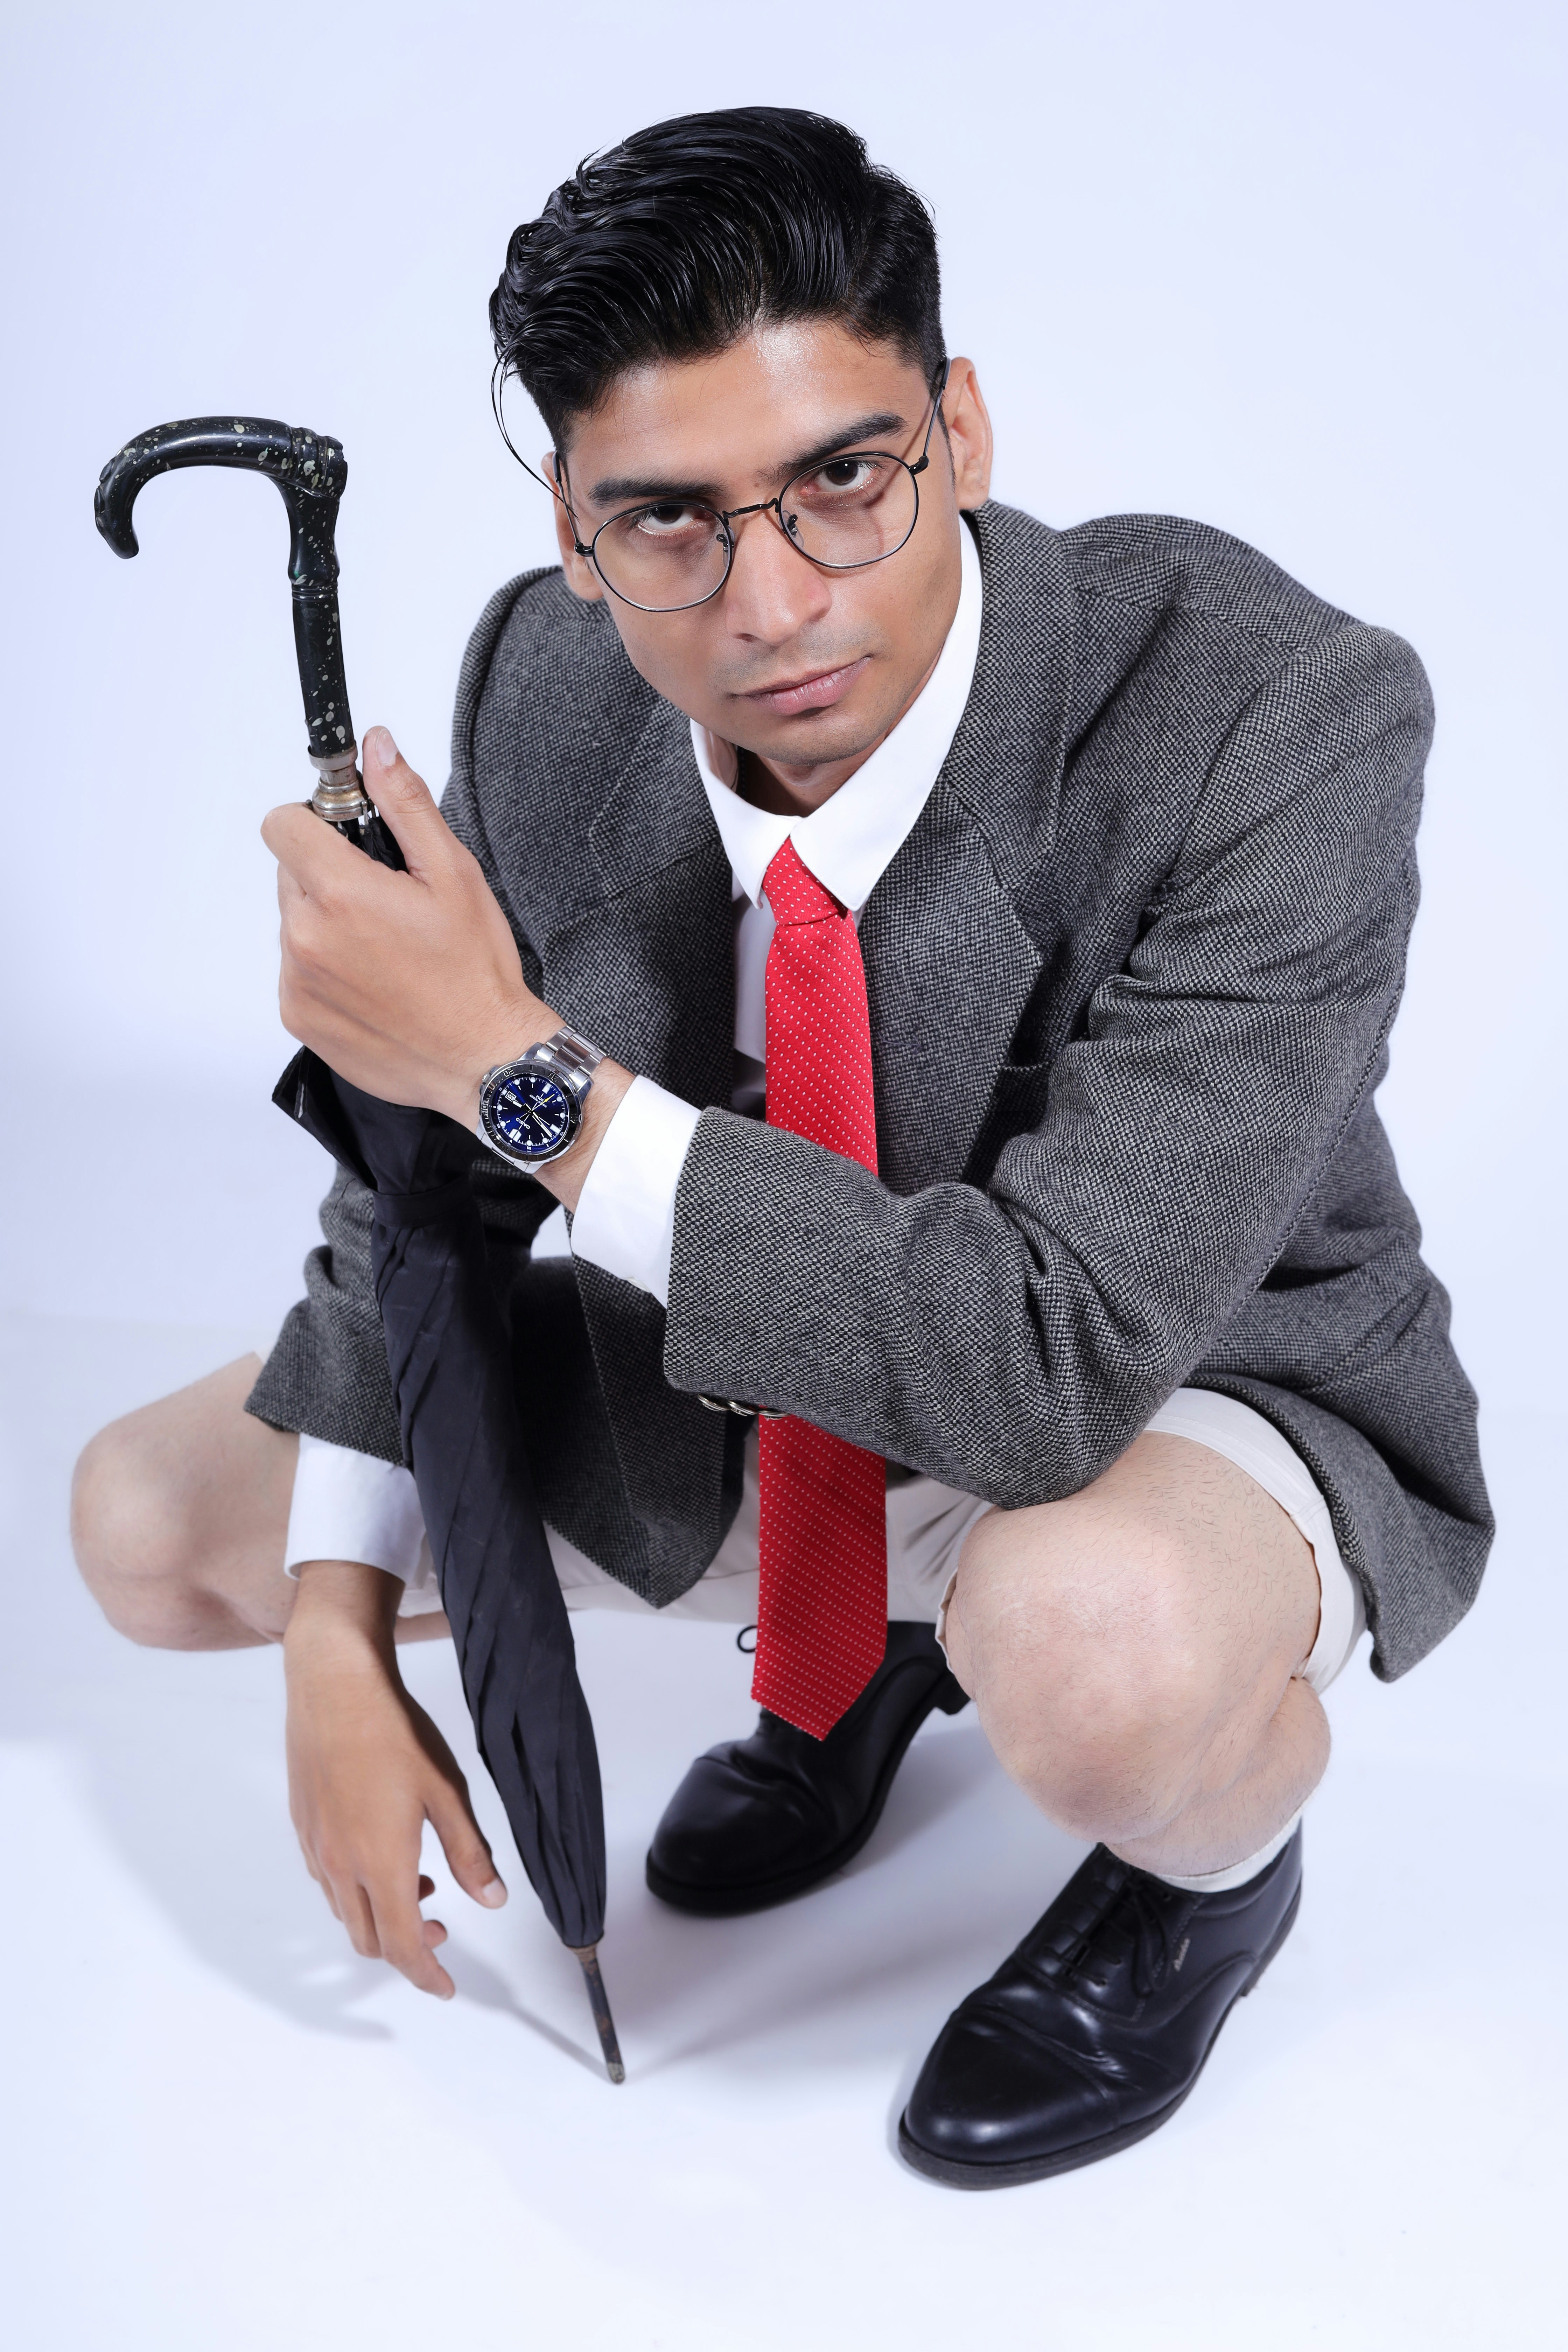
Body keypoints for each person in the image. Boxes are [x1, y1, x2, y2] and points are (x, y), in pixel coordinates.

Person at [71, 106, 1492, 2188]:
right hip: (763, 1367)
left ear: (964, 431)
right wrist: (330, 1629)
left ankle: (1211, 1885)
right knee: (150, 1518)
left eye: (846, 480)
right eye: (666, 522)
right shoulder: (551, 687)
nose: (771, 605)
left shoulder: (1277, 715)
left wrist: (518, 1073)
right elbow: (432, 1188)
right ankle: (868, 1665)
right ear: (571, 529)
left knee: (1095, 1659)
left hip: (1164, 1383)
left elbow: (1045, 1358)